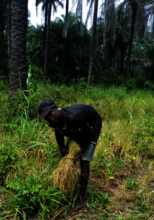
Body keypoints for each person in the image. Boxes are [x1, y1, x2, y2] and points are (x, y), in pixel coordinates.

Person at [38, 100, 102, 211]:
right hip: (77, 127)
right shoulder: (55, 121)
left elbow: (89, 134)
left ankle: (81, 199)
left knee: (84, 161)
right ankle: (71, 185)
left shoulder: (75, 117)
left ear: (56, 109)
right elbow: (58, 130)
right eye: (46, 117)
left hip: (92, 125)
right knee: (68, 153)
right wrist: (61, 146)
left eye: (50, 114)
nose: (50, 118)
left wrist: (81, 151)